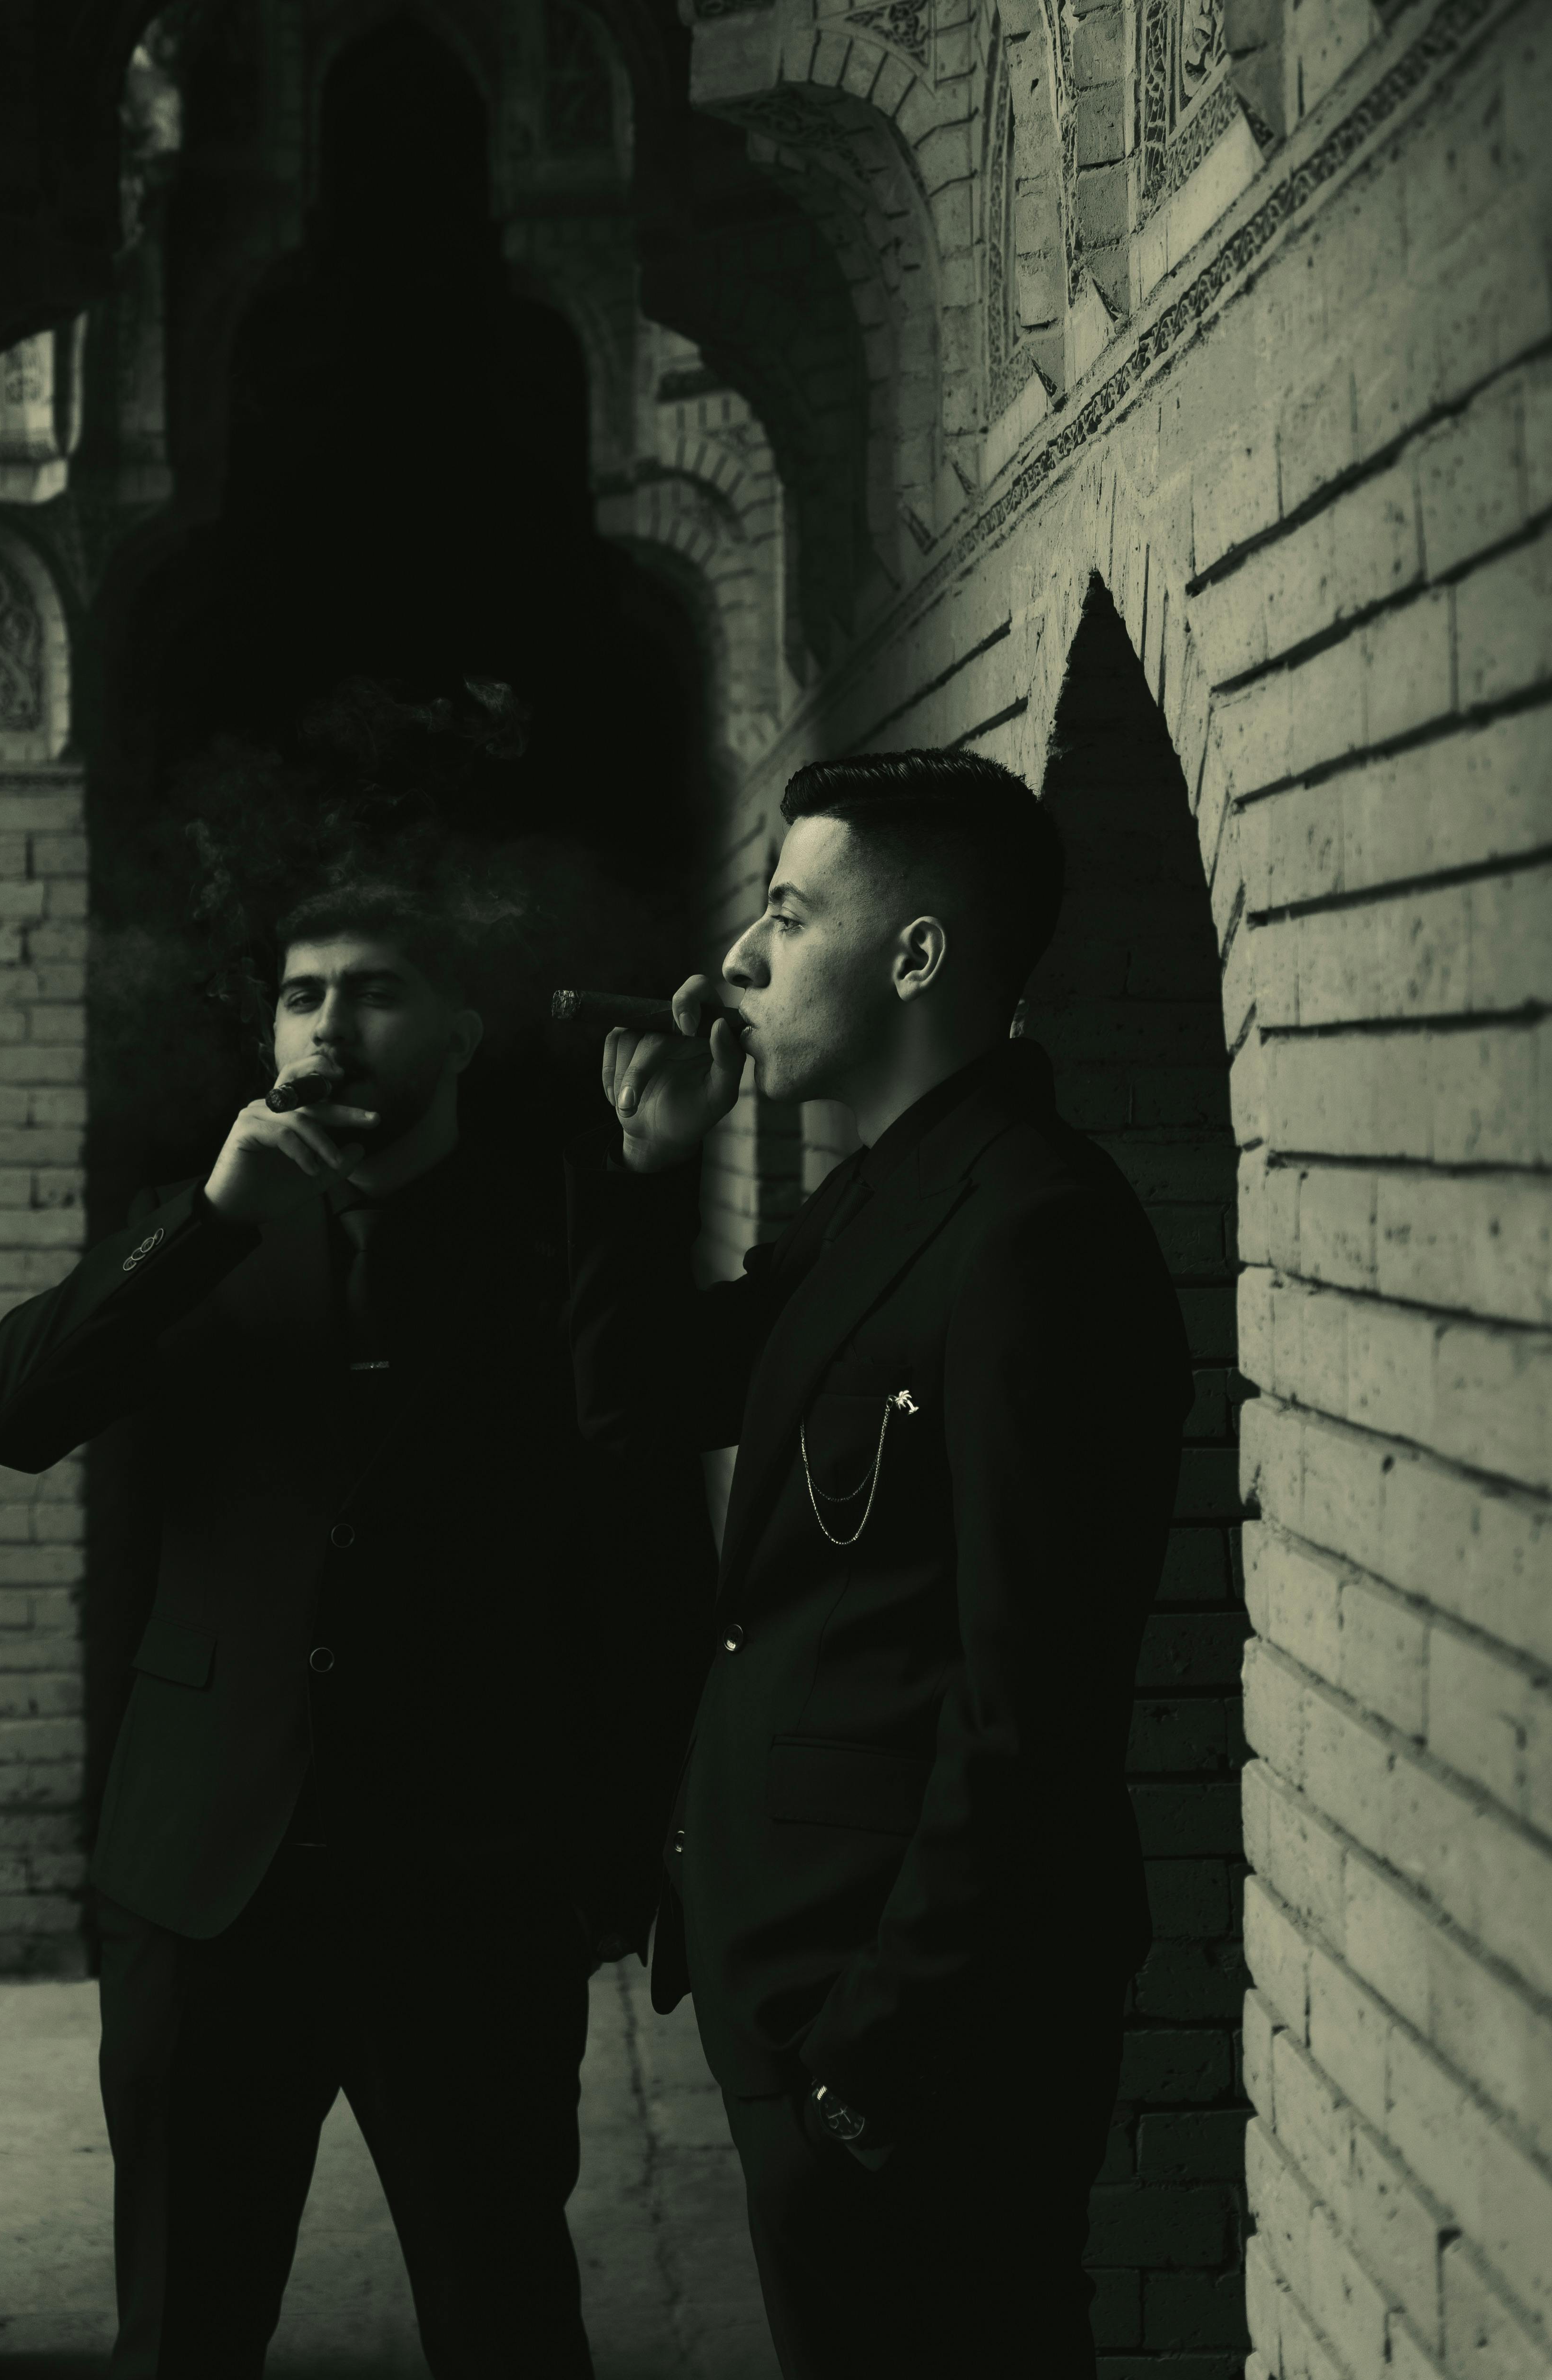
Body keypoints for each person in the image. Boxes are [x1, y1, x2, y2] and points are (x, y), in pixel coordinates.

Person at [0, 874, 712, 2380]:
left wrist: (612, 1866)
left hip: (470, 1894)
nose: (330, 1023)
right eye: (303, 995)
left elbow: (640, 1550)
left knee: (506, 2315)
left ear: (462, 1030)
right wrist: (215, 1227)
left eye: (373, 989)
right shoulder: (192, 1235)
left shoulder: (555, 1231)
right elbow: (4, 1411)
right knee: (182, 2326)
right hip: (203, 1883)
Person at [564, 749, 1194, 2378]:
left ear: (916, 956)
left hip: (908, 2045)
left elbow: (1031, 1707)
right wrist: (650, 1175)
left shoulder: (1032, 1234)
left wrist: (868, 2061)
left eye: (786, 914)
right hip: (809, 2000)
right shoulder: (881, 1202)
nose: (739, 968)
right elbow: (636, 1398)